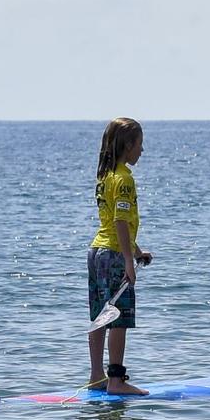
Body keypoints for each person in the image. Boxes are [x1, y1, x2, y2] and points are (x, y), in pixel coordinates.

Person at [88, 117, 154, 396]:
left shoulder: (106, 175)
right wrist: (129, 260)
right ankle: (116, 380)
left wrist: (137, 252)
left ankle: (96, 376)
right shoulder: (124, 179)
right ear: (127, 146)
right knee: (118, 318)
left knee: (100, 316)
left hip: (97, 253)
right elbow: (120, 221)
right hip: (114, 255)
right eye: (140, 145)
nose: (142, 151)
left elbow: (116, 223)